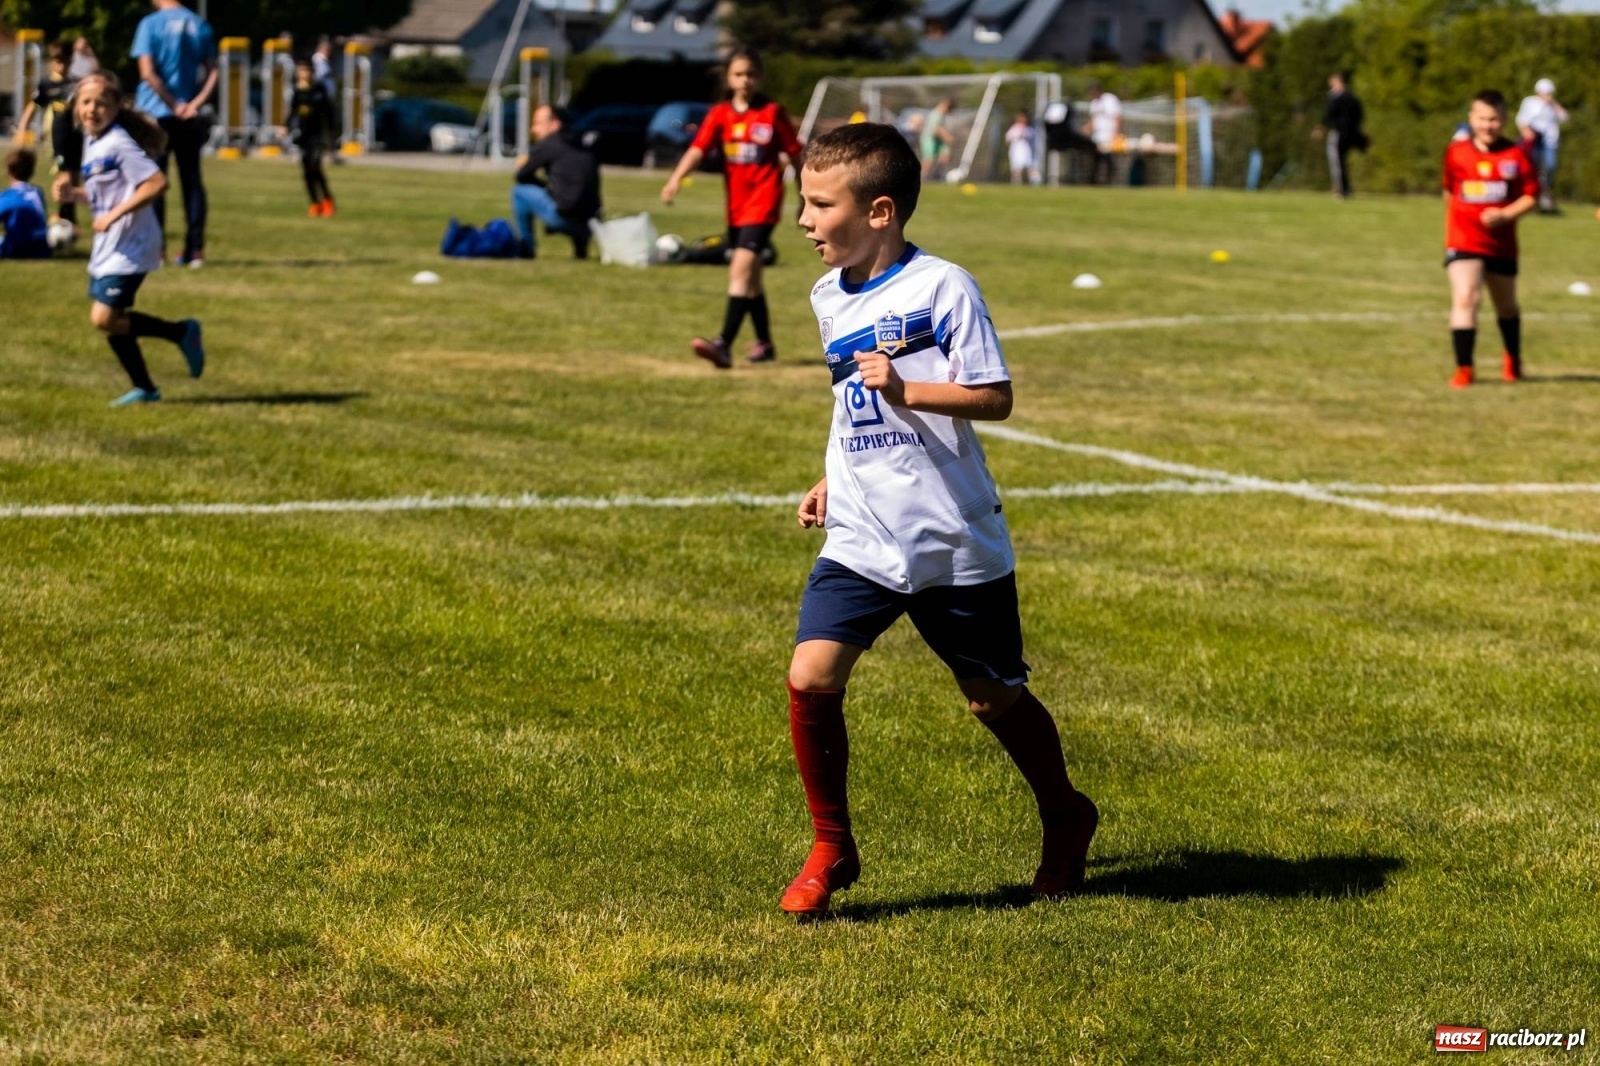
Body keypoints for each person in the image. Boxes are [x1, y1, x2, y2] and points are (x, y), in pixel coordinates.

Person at [780, 122, 1098, 917]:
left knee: (991, 699)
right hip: (861, 529)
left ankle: (1065, 813)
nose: (805, 220)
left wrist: (906, 391)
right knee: (810, 676)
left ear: (880, 210)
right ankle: (832, 845)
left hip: (949, 532)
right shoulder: (828, 294)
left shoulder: (943, 287)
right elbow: (849, 400)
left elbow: (994, 396)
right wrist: (830, 471)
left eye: (821, 204)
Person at [56, 73, 205, 406]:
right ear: (77, 107)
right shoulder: (94, 142)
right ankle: (146, 389)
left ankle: (182, 332)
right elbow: (106, 195)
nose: (92, 109)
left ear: (115, 108)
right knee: (112, 322)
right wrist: (75, 195)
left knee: (104, 317)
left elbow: (156, 184)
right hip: (111, 244)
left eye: (101, 103)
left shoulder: (118, 142)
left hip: (132, 243)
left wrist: (114, 215)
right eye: (86, 102)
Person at [660, 48, 803, 367]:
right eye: (739, 74)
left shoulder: (772, 113)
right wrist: (675, 180)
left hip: (764, 204)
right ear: (729, 77)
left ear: (760, 77)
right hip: (736, 208)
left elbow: (797, 156)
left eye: (751, 74)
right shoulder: (721, 114)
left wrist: (805, 200)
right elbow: (697, 150)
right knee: (750, 278)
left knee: (739, 269)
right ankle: (765, 345)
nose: (745, 81)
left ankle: (723, 344)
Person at [1441, 89, 1537, 389]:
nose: (1487, 125)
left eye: (1494, 119)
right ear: (1471, 118)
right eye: (1481, 118)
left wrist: (1506, 215)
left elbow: (1532, 196)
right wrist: (1461, 220)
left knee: (1506, 306)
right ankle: (1464, 368)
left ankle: (1512, 356)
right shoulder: (1456, 152)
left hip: (1501, 245)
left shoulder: (1516, 155)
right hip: (1463, 241)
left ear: (1504, 119)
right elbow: (1448, 191)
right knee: (1466, 297)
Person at [131, 0, 217, 267]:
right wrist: (194, 104)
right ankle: (195, 250)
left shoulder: (149, 24)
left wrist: (172, 103)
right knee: (192, 181)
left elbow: (148, 74)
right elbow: (213, 70)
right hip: (188, 117)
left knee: (154, 183)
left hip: (156, 115)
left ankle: (156, 249)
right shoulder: (198, 23)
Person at [511, 105, 600, 260]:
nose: (534, 130)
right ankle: (581, 251)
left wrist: (544, 186)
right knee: (577, 197)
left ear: (555, 124)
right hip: (592, 223)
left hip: (564, 219)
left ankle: (526, 249)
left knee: (519, 191)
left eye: (538, 123)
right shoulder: (582, 142)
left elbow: (522, 175)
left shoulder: (550, 143)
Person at [16, 41, 80, 226]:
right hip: (58, 138)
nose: (61, 66)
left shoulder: (75, 84)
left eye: (65, 61)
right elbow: (33, 107)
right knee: (64, 176)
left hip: (76, 138)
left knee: (74, 177)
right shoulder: (46, 84)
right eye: (57, 61)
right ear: (52, 62)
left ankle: (69, 216)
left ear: (70, 61)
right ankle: (63, 217)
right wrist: (23, 128)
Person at [280, 57, 337, 216]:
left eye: (306, 70)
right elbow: (292, 111)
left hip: (317, 135)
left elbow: (329, 113)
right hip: (303, 135)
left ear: (311, 72)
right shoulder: (297, 90)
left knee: (315, 167)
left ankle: (327, 200)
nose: (303, 74)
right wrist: (285, 126)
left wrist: (332, 134)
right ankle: (315, 203)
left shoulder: (319, 89)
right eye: (301, 71)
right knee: (306, 171)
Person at [1515, 78, 1567, 214]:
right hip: (1533, 140)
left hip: (1548, 141)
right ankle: (1530, 196)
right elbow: (1521, 120)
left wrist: (1554, 104)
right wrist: (1526, 132)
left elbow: (1565, 117)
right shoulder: (1530, 102)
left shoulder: (1552, 106)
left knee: (1551, 166)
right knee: (1532, 167)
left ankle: (1544, 192)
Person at [1313, 71, 1366, 199]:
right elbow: (1360, 116)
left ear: (1337, 81)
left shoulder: (1337, 97)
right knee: (1343, 162)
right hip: (1350, 134)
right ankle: (1346, 188)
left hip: (1338, 133)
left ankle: (1341, 190)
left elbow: (1329, 114)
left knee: (1336, 162)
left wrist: (1321, 127)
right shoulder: (1353, 98)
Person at [0, 148, 51, 259]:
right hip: (43, 248)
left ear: (8, 171)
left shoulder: (6, 196)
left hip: (18, 249)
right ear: (32, 171)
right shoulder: (38, 192)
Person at [1083, 81, 1121, 185]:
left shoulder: (1110, 99)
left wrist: (1115, 133)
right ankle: (1095, 181)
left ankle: (1109, 181)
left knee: (1108, 159)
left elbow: (1117, 116)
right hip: (1097, 136)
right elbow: (1093, 120)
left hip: (1109, 135)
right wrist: (1086, 129)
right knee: (1096, 159)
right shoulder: (1094, 103)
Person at [919, 97, 955, 180]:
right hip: (929, 138)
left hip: (938, 139)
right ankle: (923, 176)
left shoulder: (943, 115)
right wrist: (947, 136)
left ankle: (939, 174)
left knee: (946, 153)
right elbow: (936, 128)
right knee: (929, 158)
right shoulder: (935, 114)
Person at [1005, 110, 1039, 185]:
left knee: (1032, 168)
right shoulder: (1013, 129)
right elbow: (1008, 139)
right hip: (1016, 151)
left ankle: (1035, 184)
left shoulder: (1029, 129)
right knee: (1016, 169)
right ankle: (1016, 183)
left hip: (1028, 151)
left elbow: (1031, 137)